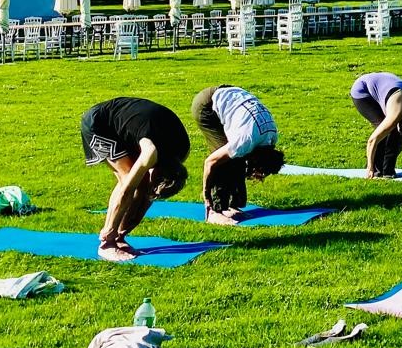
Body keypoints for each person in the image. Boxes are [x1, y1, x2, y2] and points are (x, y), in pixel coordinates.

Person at [80, 97, 191, 262]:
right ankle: (106, 244)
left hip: (133, 125)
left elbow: (149, 195)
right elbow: (127, 190)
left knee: (143, 183)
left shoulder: (181, 152)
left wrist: (123, 232)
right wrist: (110, 231)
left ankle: (118, 237)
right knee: (128, 177)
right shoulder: (150, 152)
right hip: (100, 123)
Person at [191, 84, 285, 224]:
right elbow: (210, 163)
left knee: (237, 157)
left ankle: (232, 205)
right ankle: (215, 211)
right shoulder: (245, 140)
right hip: (207, 105)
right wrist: (206, 197)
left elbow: (246, 156)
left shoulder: (271, 138)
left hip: (231, 96)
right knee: (224, 162)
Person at [350, 72, 402, 178]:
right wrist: (370, 168)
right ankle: (376, 171)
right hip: (363, 89)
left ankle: (388, 170)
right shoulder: (396, 114)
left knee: (393, 135)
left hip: (389, 86)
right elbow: (372, 141)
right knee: (383, 130)